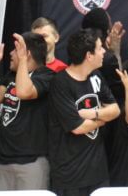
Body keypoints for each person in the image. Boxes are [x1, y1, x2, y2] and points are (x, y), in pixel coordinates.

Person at [48, 28, 120, 196]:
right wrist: (102, 118)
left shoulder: (96, 76)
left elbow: (115, 110)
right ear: (89, 55)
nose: (104, 52)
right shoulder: (60, 83)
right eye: (100, 48)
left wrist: (92, 114)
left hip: (98, 173)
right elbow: (78, 128)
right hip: (70, 175)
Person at [0, 32, 54, 190]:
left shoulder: (47, 75)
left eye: (15, 50)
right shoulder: (10, 75)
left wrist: (22, 60)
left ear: (27, 53)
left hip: (31, 161)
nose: (10, 53)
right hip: (1, 159)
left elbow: (24, 92)